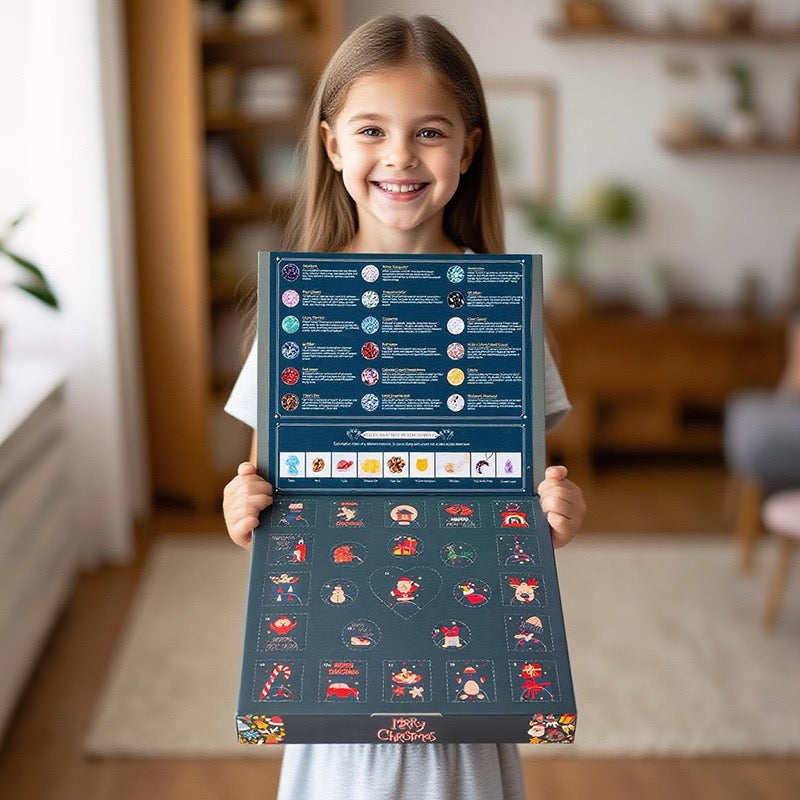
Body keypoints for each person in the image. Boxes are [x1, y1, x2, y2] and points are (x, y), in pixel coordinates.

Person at [223, 14, 587, 800]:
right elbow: (261, 502)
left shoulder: (505, 311)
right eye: (370, 130)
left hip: (466, 702)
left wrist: (552, 520)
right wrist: (242, 507)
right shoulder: (298, 310)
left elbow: (522, 505)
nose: (398, 156)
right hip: (335, 703)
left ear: (468, 148)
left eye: (428, 132)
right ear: (331, 146)